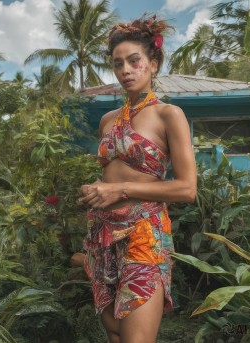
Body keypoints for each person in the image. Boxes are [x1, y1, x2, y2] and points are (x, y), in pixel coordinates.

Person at [78, 15, 197, 343]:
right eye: (118, 64)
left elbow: (187, 188)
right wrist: (97, 191)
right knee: (115, 334)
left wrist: (120, 189)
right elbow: (112, 172)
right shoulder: (106, 120)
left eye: (134, 61)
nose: (126, 70)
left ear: (153, 64)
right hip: (103, 236)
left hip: (144, 234)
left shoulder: (168, 115)